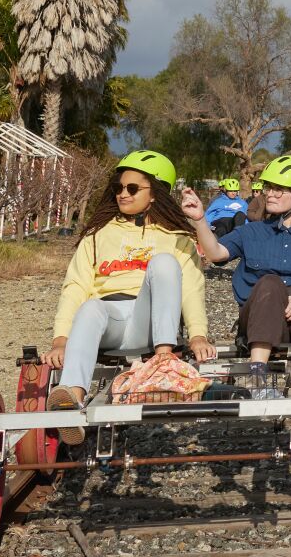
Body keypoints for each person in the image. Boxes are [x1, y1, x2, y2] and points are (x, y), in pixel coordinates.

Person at [46, 150, 214, 442]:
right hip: (109, 322)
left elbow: (191, 288)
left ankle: (164, 364)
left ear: (155, 194)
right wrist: (61, 339)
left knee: (163, 263)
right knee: (89, 307)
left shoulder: (178, 237)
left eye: (132, 188)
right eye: (118, 188)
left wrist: (198, 334)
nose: (123, 194)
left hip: (149, 321)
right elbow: (74, 285)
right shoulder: (97, 235)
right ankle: (72, 402)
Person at [181, 153, 291, 399]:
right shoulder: (252, 232)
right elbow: (216, 253)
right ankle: (256, 376)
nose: (270, 194)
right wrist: (199, 220)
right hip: (261, 312)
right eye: (270, 188)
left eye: (279, 190)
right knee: (270, 282)